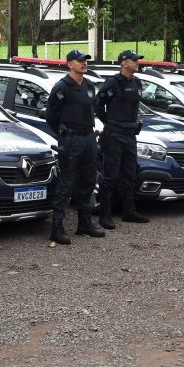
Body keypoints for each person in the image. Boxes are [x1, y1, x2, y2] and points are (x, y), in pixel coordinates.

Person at [45, 49, 105, 244]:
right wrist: (63, 133)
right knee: (66, 183)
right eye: (80, 61)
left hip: (88, 138)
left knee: (88, 182)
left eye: (85, 60)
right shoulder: (62, 87)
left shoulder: (89, 86)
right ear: (70, 64)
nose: (84, 63)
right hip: (71, 140)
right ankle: (57, 228)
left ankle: (84, 224)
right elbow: (51, 115)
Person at [94, 50, 149, 229]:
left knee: (129, 174)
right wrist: (110, 122)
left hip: (130, 135)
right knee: (110, 176)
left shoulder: (137, 82)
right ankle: (105, 215)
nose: (137, 62)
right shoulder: (113, 83)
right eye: (134, 60)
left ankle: (129, 211)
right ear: (124, 63)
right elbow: (98, 104)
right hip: (115, 135)